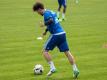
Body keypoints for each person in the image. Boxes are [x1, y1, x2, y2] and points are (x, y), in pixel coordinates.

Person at [33, 2, 79, 78]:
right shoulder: (51, 12)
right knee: (67, 53)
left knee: (45, 51)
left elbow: (51, 21)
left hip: (56, 35)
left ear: (39, 9)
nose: (38, 13)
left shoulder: (46, 14)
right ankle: (75, 69)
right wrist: (45, 31)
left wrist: (43, 24)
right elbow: (54, 23)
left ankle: (52, 68)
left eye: (37, 12)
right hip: (62, 33)